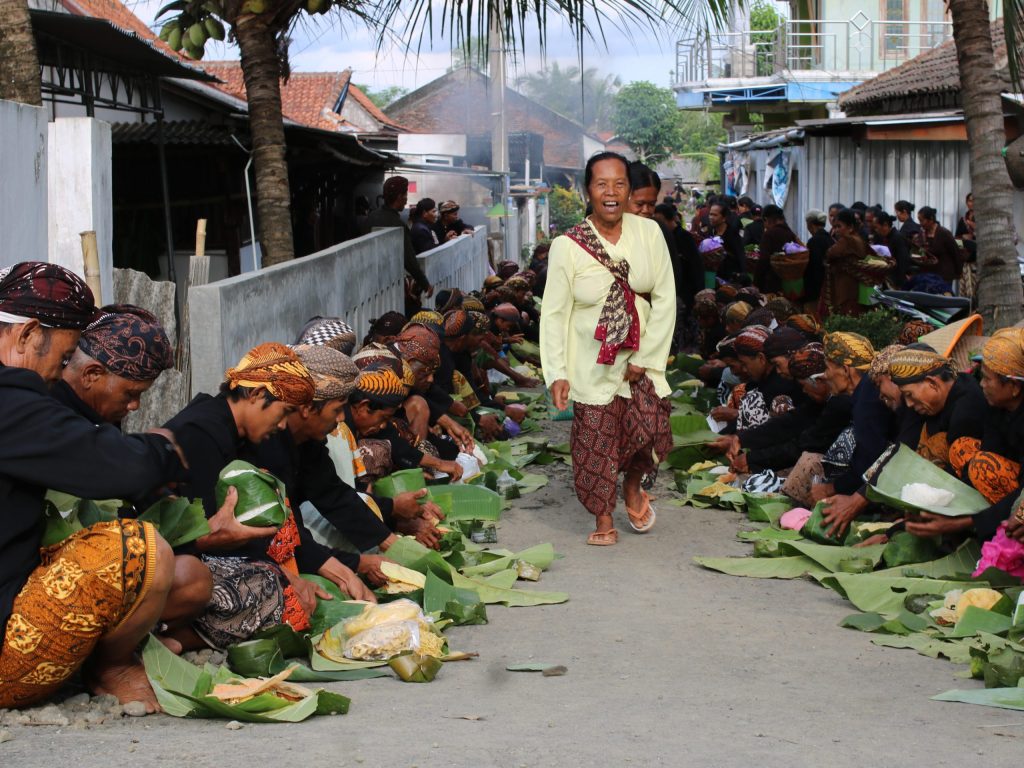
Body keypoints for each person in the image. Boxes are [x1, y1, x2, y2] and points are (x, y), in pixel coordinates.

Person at [0, 262, 186, 712]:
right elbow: (123, 469)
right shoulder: (12, 400)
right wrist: (163, 450)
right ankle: (111, 668)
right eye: (63, 358)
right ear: (26, 336)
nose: (58, 373)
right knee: (134, 548)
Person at [163, 343, 356, 651]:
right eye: (284, 413)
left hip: (208, 558)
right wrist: (281, 574)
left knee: (276, 579)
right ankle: (178, 638)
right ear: (254, 395)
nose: (282, 426)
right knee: (268, 589)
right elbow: (194, 531)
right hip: (174, 565)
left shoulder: (234, 432)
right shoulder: (201, 432)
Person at [53, 304, 212, 643]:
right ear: (91, 374)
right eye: (131, 394)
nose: (135, 406)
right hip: (53, 581)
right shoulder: (51, 416)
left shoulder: (99, 418)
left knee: (195, 577)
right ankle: (112, 661)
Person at [540, 151, 675, 546]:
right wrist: (557, 372)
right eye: (602, 184)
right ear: (589, 191)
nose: (611, 193)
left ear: (629, 190)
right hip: (590, 363)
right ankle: (603, 518)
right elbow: (554, 313)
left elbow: (665, 297)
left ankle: (632, 487)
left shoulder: (649, 234)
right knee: (595, 444)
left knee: (649, 431)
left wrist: (646, 357)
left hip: (642, 357)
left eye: (619, 184)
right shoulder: (568, 245)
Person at [365, 176, 433, 314]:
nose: (407, 199)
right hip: (388, 284)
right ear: (399, 197)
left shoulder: (371, 217)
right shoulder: (397, 224)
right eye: (405, 195)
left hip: (369, 282)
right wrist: (425, 284)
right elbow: (409, 259)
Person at [823, 208, 871, 316]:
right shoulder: (858, 239)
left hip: (846, 286)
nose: (836, 230)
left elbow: (830, 253)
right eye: (835, 227)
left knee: (846, 315)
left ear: (850, 227)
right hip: (856, 286)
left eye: (839, 226)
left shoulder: (847, 240)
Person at [756, 205, 802, 293]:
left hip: (771, 282)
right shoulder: (790, 233)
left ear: (766, 219)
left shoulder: (769, 234)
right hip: (790, 283)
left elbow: (763, 259)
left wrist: (756, 282)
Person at [915, 206, 964, 286]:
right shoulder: (922, 234)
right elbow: (919, 250)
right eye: (919, 221)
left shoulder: (944, 233)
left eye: (922, 221)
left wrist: (959, 271)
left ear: (931, 219)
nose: (920, 224)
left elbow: (955, 253)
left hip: (943, 275)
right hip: (928, 274)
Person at [707, 200, 746, 278]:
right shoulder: (711, 231)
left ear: (724, 218)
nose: (711, 217)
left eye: (715, 215)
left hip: (730, 277)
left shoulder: (732, 234)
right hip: (714, 276)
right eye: (710, 214)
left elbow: (740, 256)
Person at [874, 211, 911, 288]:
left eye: (876, 227)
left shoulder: (898, 238)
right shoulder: (882, 237)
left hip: (896, 280)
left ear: (885, 225)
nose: (876, 230)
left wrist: (898, 283)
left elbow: (903, 261)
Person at [803, 209, 831, 306]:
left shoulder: (814, 241)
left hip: (816, 290)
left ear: (810, 224)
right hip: (829, 287)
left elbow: (814, 267)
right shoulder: (830, 239)